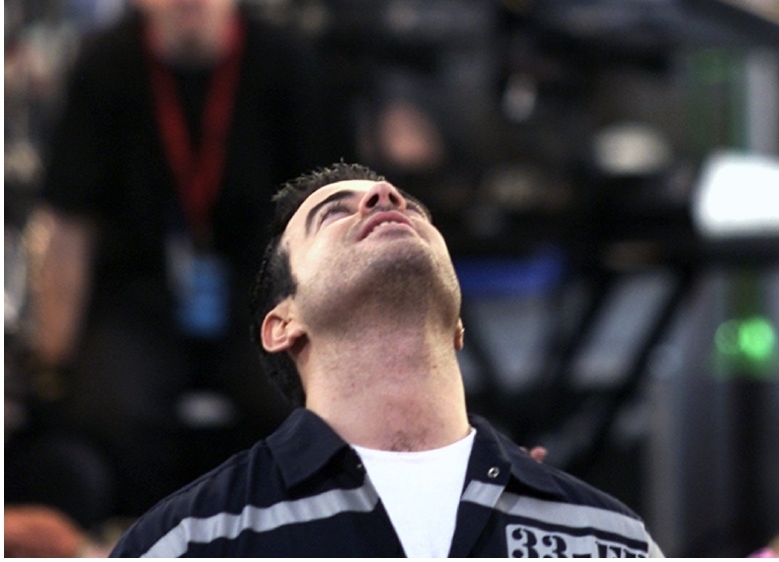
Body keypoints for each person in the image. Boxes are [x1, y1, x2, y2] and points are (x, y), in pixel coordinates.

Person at [111, 162, 664, 558]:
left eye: (409, 205)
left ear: (459, 324)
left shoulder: (609, 540)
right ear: (283, 326)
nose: (385, 199)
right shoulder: (191, 542)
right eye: (332, 214)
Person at [19, 0, 336, 520]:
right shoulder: (105, 65)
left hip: (268, 288)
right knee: (106, 410)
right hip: (138, 294)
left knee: (291, 403)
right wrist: (51, 365)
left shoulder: (288, 64)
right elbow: (69, 225)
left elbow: (332, 213)